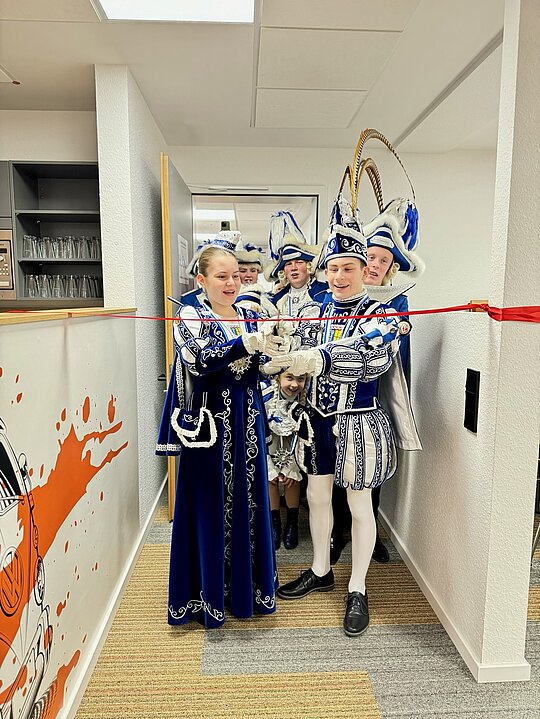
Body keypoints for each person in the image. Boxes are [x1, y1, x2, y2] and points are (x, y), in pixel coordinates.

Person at [265, 206, 420, 637]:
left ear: (363, 268)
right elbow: (293, 348)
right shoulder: (312, 311)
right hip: (316, 424)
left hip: (358, 424)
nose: (338, 276)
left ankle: (358, 587)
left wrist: (321, 357)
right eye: (332, 268)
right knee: (316, 497)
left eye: (348, 268)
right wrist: (277, 352)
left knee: (358, 505)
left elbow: (370, 356)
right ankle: (320, 570)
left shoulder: (384, 314)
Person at [156, 240, 289, 629]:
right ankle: (206, 596)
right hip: (210, 425)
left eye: (235, 275)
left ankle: (245, 591)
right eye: (221, 276)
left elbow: (253, 364)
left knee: (248, 499)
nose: (231, 283)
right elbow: (199, 361)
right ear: (202, 279)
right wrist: (241, 345)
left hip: (246, 417)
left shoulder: (249, 313)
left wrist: (271, 360)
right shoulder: (190, 315)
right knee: (209, 504)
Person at [329, 221, 423, 564]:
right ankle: (338, 535)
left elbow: (394, 352)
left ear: (390, 268)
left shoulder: (394, 302)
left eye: (382, 261)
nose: (373, 264)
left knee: (371, 470)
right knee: (339, 470)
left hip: (375, 396)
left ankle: (370, 534)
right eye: (369, 256)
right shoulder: (336, 300)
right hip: (338, 397)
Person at [264, 370, 309, 550]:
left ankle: (292, 522)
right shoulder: (266, 398)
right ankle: (274, 523)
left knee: (292, 481)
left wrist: (292, 467)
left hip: (293, 449)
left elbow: (304, 439)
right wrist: (269, 466)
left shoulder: (305, 402)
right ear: (278, 378)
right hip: (270, 446)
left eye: (301, 379)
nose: (294, 385)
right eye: (289, 378)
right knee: (270, 479)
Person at [265, 211, 328, 317]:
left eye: (299, 262)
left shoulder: (325, 292)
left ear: (309, 266)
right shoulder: (276, 299)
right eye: (288, 264)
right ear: (283, 271)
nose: (293, 268)